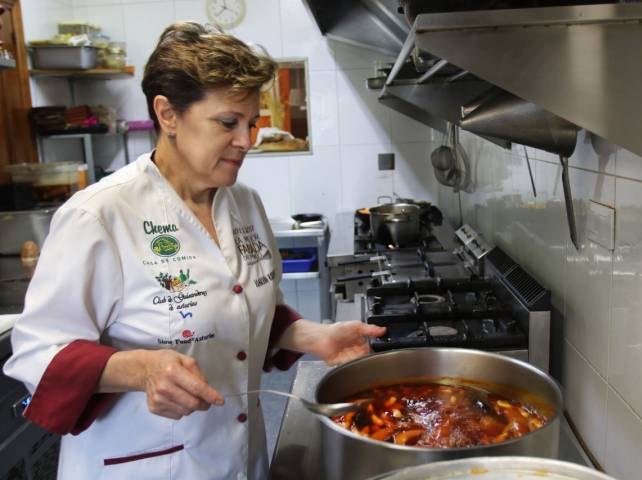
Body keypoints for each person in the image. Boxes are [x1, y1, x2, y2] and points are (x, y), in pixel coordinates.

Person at [3, 22, 385, 480]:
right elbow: (35, 354)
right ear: (167, 114)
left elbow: (238, 305)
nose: (247, 140)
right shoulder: (101, 215)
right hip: (143, 464)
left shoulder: (244, 203)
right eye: (228, 123)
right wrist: (138, 368)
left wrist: (308, 336)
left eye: (252, 123)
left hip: (242, 456)